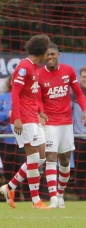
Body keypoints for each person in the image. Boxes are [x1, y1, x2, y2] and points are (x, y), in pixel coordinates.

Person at [0, 34, 51, 209]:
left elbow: (30, 95)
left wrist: (40, 112)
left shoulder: (35, 68)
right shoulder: (24, 67)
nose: (48, 56)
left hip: (32, 117)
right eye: (47, 52)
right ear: (42, 52)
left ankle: (10, 186)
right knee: (34, 157)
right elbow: (15, 93)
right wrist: (18, 118)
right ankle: (36, 201)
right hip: (23, 119)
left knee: (41, 157)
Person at [38, 43, 86, 208]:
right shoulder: (39, 74)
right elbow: (38, 99)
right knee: (51, 157)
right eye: (47, 55)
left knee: (65, 160)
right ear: (44, 57)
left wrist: (85, 110)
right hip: (49, 123)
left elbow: (79, 93)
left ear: (58, 55)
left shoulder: (69, 71)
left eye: (52, 54)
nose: (50, 57)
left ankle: (60, 194)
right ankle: (52, 198)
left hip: (66, 123)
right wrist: (41, 113)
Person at [0, 75, 29, 201]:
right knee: (9, 173)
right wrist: (8, 114)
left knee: (27, 172)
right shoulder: (3, 98)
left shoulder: (28, 97)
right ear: (11, 82)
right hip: (5, 142)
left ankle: (31, 199)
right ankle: (13, 199)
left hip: (23, 141)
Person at [72, 66, 86, 200]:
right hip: (79, 137)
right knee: (80, 169)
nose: (85, 78)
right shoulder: (73, 93)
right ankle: (82, 197)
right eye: (83, 76)